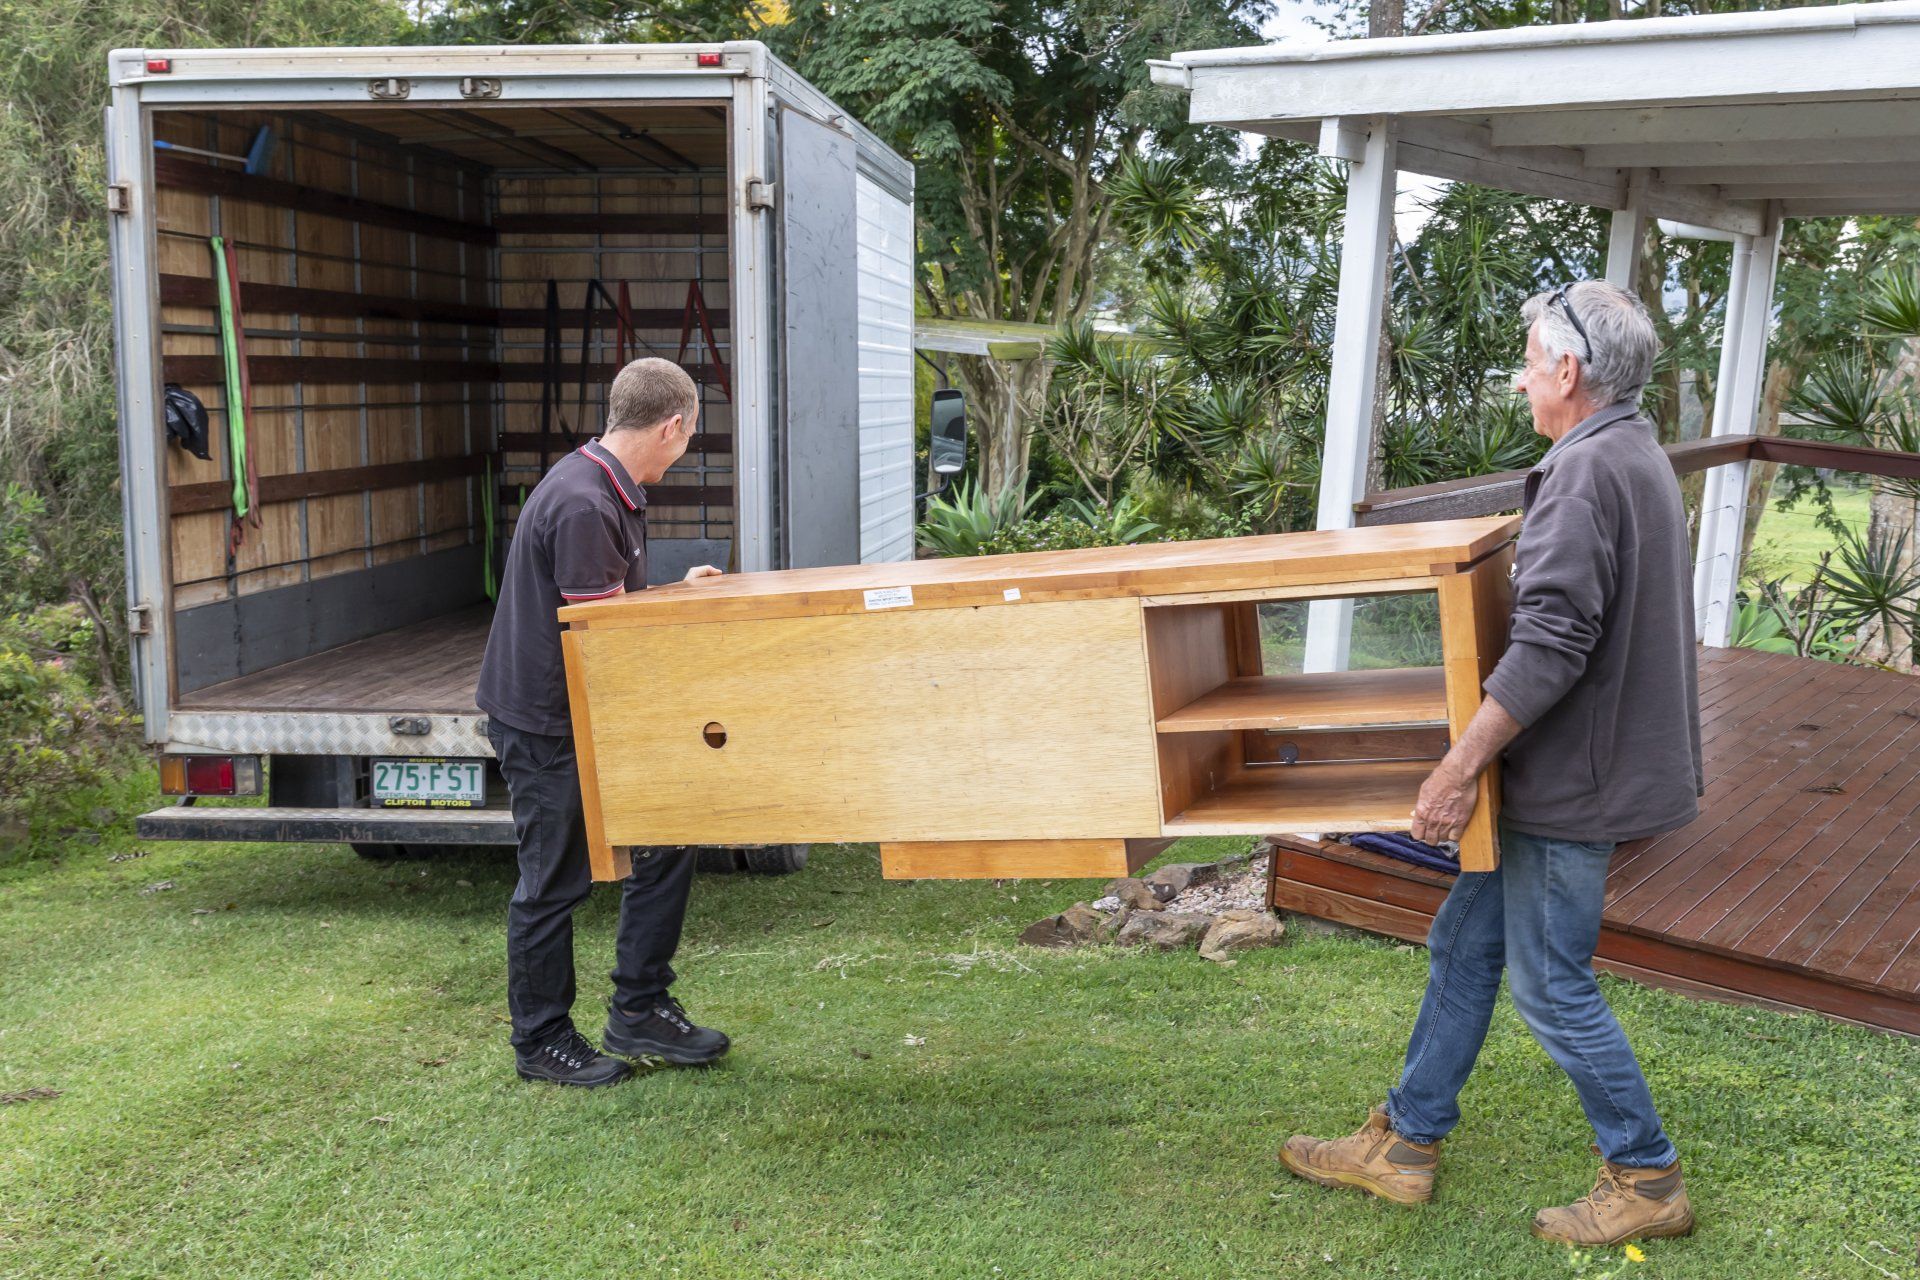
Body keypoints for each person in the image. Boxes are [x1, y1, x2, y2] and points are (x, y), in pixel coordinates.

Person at [1279, 281, 1703, 1247]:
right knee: (1465, 946)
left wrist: (1455, 768)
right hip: (1581, 768)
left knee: (1552, 983)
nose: (1520, 382)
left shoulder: (1587, 472)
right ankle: (1406, 1144)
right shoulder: (1631, 449)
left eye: (1526, 362)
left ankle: (1647, 1175)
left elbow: (1553, 643)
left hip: (1572, 782)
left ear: (1568, 369)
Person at [475, 357, 731, 1087]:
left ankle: (641, 1010)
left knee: (669, 837)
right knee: (552, 881)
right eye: (689, 436)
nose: (684, 450)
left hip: (586, 712)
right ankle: (542, 1041)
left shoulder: (603, 482)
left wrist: (675, 597)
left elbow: (606, 611)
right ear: (673, 425)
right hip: (549, 724)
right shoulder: (587, 502)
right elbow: (604, 647)